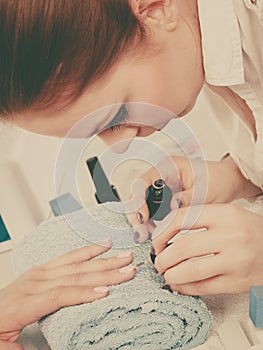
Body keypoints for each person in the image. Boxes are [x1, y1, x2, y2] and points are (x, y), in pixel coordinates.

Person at [0, 0, 263, 347]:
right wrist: (235, 174)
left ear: (155, 8)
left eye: (118, 116)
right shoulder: (202, 45)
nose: (119, 146)